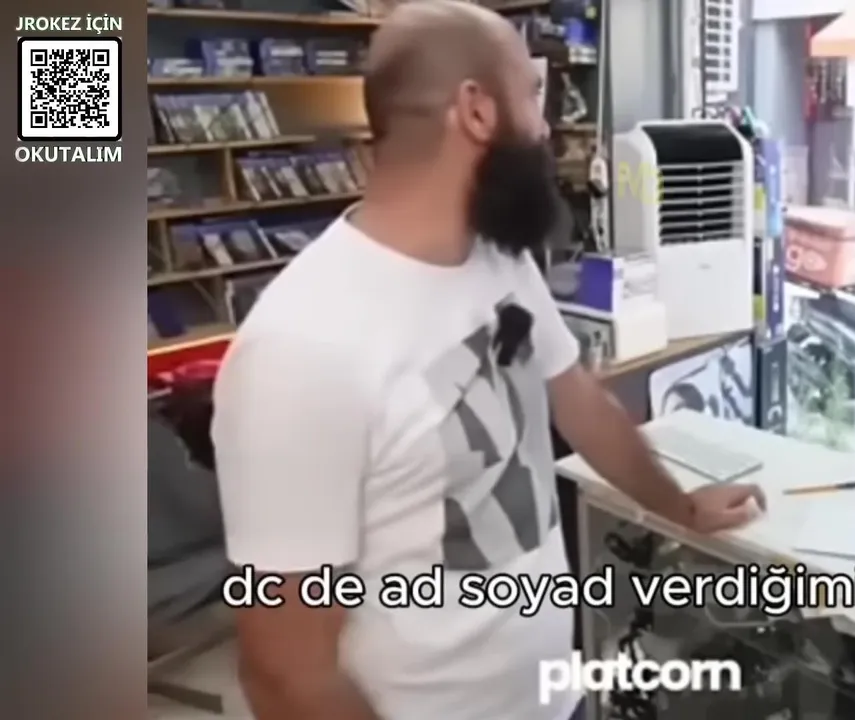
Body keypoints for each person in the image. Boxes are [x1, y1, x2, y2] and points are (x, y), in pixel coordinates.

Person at [209, 3, 766, 720]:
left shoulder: (499, 257)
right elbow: (286, 675)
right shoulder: (298, 352)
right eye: (532, 95)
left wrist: (680, 506)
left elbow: (580, 402)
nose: (547, 127)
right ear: (476, 111)